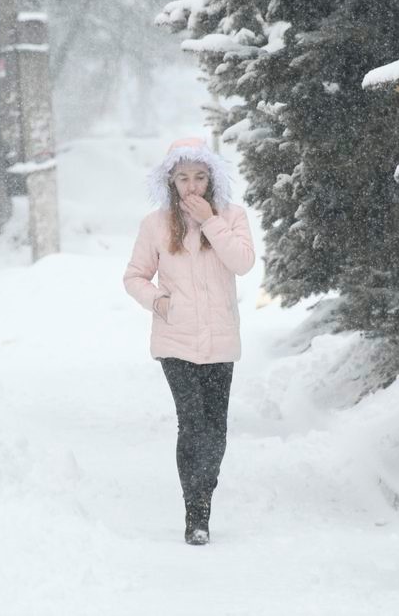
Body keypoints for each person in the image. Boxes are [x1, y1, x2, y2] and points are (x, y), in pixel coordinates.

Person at [123, 137, 255, 546]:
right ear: (171, 182)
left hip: (220, 342)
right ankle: (196, 515)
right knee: (192, 423)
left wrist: (210, 220)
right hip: (175, 340)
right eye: (184, 179)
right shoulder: (156, 224)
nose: (192, 186)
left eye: (200, 177)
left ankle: (204, 496)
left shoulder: (232, 216)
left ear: (212, 179)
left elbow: (244, 263)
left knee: (216, 429)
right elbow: (134, 277)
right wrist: (159, 302)